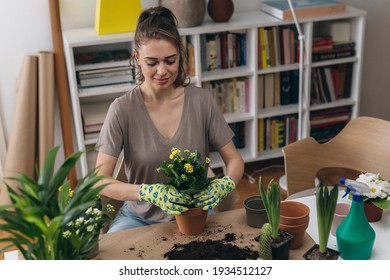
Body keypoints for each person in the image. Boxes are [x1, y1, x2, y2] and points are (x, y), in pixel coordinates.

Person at [95, 6, 244, 233]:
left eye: (170, 60)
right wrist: (147, 192)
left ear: (181, 55)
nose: (162, 71)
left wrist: (225, 184)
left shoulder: (201, 102)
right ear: (137, 57)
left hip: (195, 213)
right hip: (139, 219)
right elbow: (99, 181)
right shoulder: (121, 109)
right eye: (152, 62)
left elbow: (234, 161)